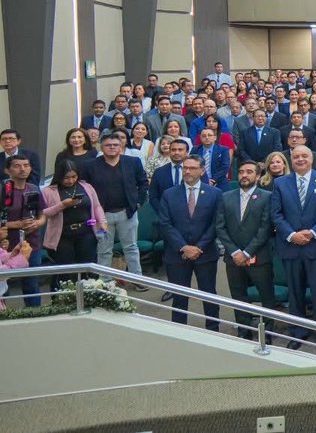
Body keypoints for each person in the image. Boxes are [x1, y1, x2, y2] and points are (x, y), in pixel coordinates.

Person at [270, 146, 316, 350]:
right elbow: (276, 214)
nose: (300, 159)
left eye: (304, 156)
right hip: (291, 246)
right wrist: (292, 235)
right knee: (295, 293)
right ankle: (297, 332)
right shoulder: (280, 183)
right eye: (296, 156)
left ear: (312, 158)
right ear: (291, 160)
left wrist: (312, 233)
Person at [158, 155, 222, 331]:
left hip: (205, 254)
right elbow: (165, 223)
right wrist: (184, 247)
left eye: (192, 168)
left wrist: (199, 247)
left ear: (202, 171)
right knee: (179, 296)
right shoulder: (169, 194)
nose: (187, 171)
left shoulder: (214, 194)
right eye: (185, 167)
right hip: (177, 254)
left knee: (209, 294)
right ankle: (179, 331)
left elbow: (216, 224)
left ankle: (213, 328)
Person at [215, 160, 277, 341]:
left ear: (257, 176)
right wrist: (235, 252)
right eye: (241, 171)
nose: (244, 175)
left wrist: (248, 252)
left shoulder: (267, 196)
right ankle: (244, 331)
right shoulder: (226, 197)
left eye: (249, 172)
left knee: (266, 297)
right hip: (233, 258)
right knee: (238, 296)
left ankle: (267, 334)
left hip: (259, 256)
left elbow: (265, 228)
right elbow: (220, 227)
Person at [81, 134, 149, 291]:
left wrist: (138, 202)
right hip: (101, 217)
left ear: (121, 147)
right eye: (108, 145)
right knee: (104, 249)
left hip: (128, 213)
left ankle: (137, 279)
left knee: (131, 247)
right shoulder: (90, 165)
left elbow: (143, 183)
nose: (112, 147)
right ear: (101, 147)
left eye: (115, 145)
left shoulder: (133, 162)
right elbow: (84, 188)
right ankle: (104, 282)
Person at [40, 160, 105, 286]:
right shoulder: (49, 191)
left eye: (74, 177)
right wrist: (62, 205)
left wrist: (102, 221)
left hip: (86, 232)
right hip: (62, 235)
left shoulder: (86, 187)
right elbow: (44, 213)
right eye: (66, 178)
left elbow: (96, 206)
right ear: (59, 176)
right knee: (64, 270)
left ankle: (90, 296)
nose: (70, 181)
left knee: (89, 268)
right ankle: (60, 299)